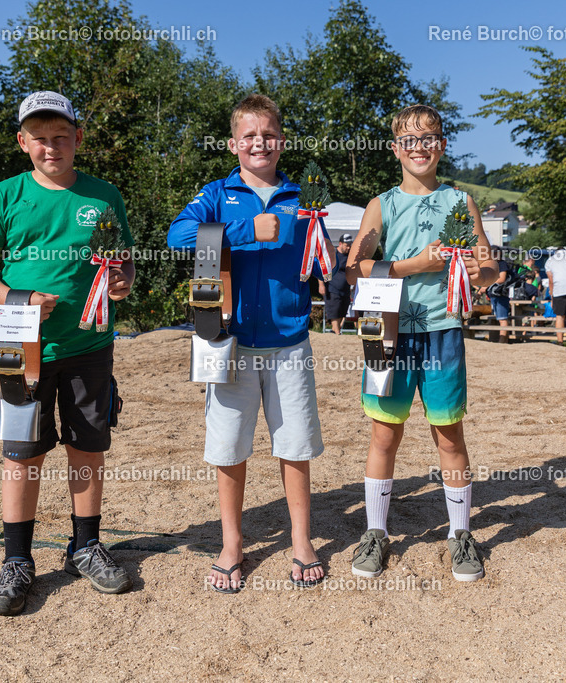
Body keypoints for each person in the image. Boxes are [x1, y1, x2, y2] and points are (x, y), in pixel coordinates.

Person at [0, 90, 136, 616]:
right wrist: (20, 300)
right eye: (39, 138)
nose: (51, 146)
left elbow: (123, 261)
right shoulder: (3, 196)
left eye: (60, 136)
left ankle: (84, 546)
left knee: (87, 447)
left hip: (90, 345)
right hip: (20, 344)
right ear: (23, 142)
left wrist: (124, 281)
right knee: (23, 451)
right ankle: (16, 560)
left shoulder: (104, 195)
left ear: (77, 138)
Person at [167, 94, 327, 593]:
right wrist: (245, 230)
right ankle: (232, 543)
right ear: (235, 143)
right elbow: (178, 236)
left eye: (268, 135)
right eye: (249, 136)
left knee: (294, 445)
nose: (259, 143)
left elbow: (321, 264)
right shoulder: (216, 193)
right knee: (229, 447)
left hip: (290, 341)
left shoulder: (303, 200)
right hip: (228, 343)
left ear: (281, 141)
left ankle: (301, 541)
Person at [345, 103, 498, 583]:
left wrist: (483, 274)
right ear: (396, 149)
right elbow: (356, 267)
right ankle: (375, 532)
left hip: (443, 327)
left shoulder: (461, 201)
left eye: (428, 137)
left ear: (441, 145)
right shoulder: (381, 205)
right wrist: (416, 263)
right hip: (385, 327)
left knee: (449, 433)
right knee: (384, 434)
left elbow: (489, 265)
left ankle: (460, 534)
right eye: (409, 140)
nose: (419, 147)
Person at [318, 233, 353, 334]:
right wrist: (321, 284)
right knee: (335, 312)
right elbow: (322, 268)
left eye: (350, 245)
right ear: (340, 244)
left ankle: (335, 332)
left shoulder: (349, 256)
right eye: (347, 245)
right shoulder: (333, 254)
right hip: (332, 289)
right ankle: (337, 333)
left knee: (342, 313)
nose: (349, 247)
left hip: (346, 290)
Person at [478, 247, 512, 344]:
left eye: (496, 253)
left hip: (501, 294)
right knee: (500, 318)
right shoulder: (495, 264)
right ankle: (503, 340)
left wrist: (487, 284)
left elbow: (502, 279)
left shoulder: (502, 264)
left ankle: (502, 341)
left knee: (502, 319)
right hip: (495, 295)